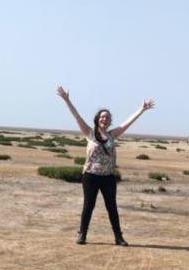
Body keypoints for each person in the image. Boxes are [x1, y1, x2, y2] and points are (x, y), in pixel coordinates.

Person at [56, 87, 155, 246]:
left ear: (110, 121)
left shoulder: (112, 135)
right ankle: (82, 234)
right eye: (102, 117)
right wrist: (67, 99)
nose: (104, 119)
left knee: (112, 207)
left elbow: (128, 122)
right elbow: (77, 116)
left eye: (107, 117)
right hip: (90, 176)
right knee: (89, 206)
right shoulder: (89, 133)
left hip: (108, 177)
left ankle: (118, 237)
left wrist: (142, 109)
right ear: (97, 119)